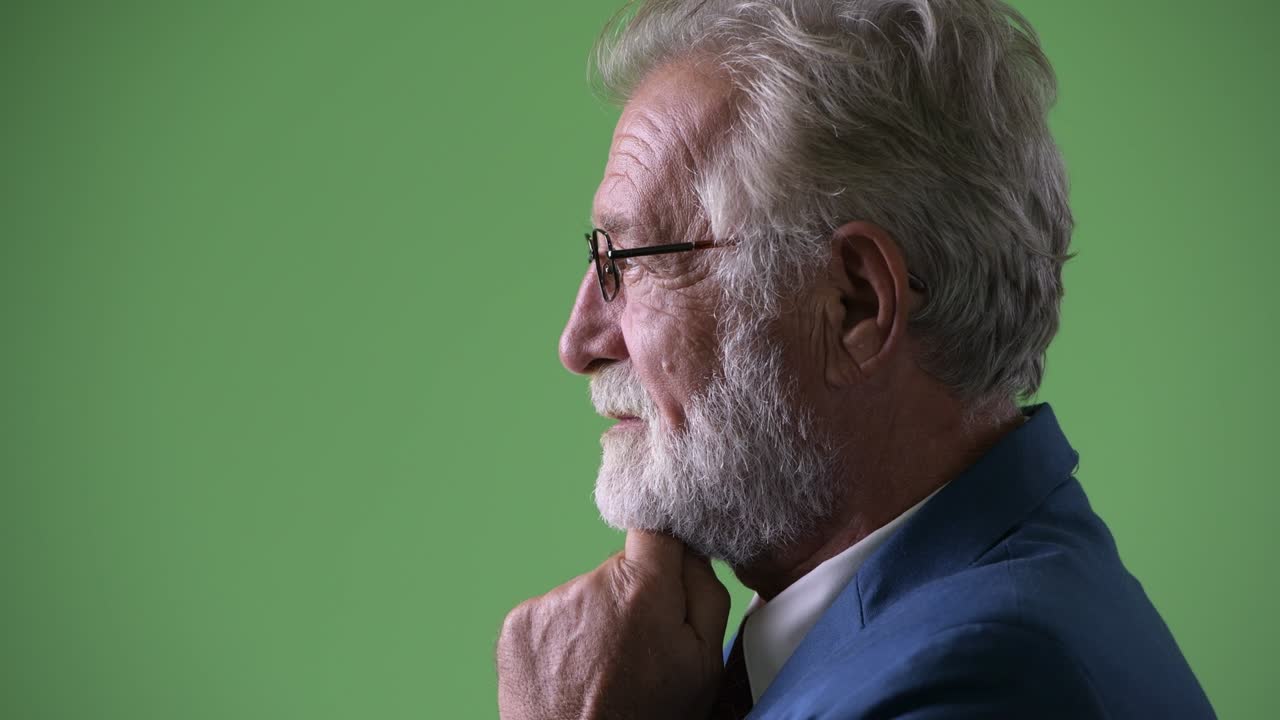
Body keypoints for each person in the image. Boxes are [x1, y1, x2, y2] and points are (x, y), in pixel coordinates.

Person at [496, 0, 1216, 717]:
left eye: (633, 261)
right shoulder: (877, 628)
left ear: (855, 305)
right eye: (600, 256)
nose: (579, 341)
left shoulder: (983, 681)